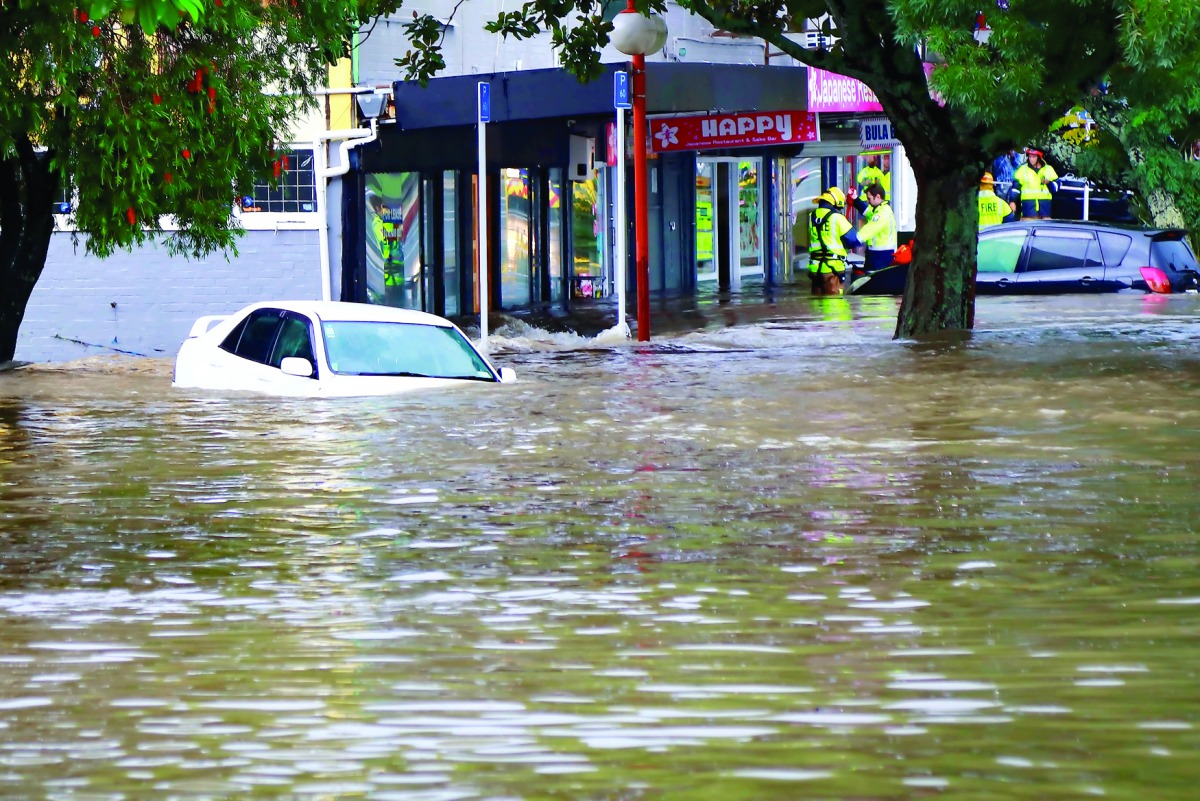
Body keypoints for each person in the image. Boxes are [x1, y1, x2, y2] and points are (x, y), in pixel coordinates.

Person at [807, 186, 854, 296]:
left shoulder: (811, 217)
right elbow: (853, 239)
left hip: (815, 269)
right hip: (833, 269)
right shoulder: (837, 218)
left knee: (817, 307)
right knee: (835, 308)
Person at [846, 182, 896, 274]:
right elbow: (868, 213)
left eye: (869, 199)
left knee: (875, 285)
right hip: (878, 257)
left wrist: (849, 241)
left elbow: (867, 231)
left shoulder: (882, 214)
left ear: (877, 196)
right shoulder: (881, 209)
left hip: (879, 259)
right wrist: (855, 199)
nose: (868, 201)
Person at [1011, 148, 1059, 220]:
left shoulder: (1049, 169)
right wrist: (1012, 201)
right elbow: (1015, 188)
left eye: (1033, 157)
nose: (1031, 159)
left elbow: (1056, 188)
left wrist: (1049, 183)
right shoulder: (1022, 169)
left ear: (1039, 158)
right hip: (1028, 209)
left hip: (1045, 210)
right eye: (1030, 156)